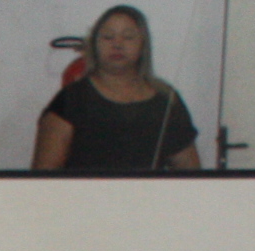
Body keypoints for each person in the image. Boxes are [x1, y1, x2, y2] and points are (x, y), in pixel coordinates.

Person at [36, 5, 199, 171]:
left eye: (128, 37)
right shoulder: (71, 99)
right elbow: (44, 177)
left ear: (143, 45)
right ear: (94, 44)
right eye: (108, 37)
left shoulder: (166, 100)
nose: (117, 44)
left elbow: (191, 174)